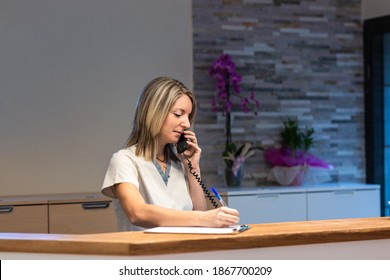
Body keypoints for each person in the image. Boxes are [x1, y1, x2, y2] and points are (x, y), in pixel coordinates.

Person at [101, 77, 240, 231]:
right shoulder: (124, 160)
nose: (187, 124)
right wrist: (205, 218)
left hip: (183, 251)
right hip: (145, 253)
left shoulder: (180, 164)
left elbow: (199, 214)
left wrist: (192, 166)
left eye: (188, 116)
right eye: (178, 114)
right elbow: (137, 213)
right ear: (154, 112)